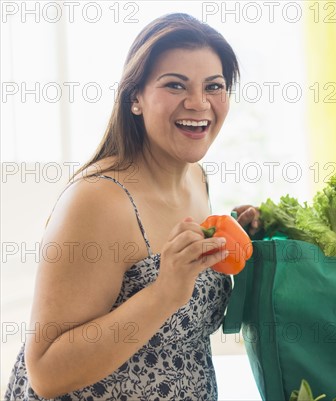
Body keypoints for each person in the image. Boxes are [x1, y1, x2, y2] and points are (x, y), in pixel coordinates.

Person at [5, 13, 260, 401]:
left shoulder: (196, 177)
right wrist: (163, 294)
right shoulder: (99, 201)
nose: (198, 102)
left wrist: (232, 237)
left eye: (214, 86)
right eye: (175, 85)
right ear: (135, 98)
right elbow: (46, 374)